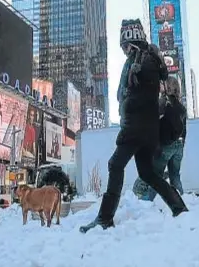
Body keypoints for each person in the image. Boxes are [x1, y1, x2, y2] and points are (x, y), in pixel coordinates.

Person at [79, 19, 189, 234]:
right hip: (149, 130)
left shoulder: (138, 61)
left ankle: (104, 218)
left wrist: (127, 101)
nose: (124, 51)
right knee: (148, 173)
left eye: (124, 46)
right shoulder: (151, 60)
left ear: (130, 42)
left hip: (135, 128)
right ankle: (179, 208)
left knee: (115, 165)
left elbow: (130, 96)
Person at [133, 76, 187, 201]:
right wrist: (181, 145)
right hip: (178, 146)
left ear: (166, 87)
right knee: (175, 176)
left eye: (162, 84)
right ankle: (181, 201)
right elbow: (184, 130)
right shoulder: (181, 107)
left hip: (166, 145)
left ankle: (148, 203)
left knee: (155, 176)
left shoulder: (163, 101)